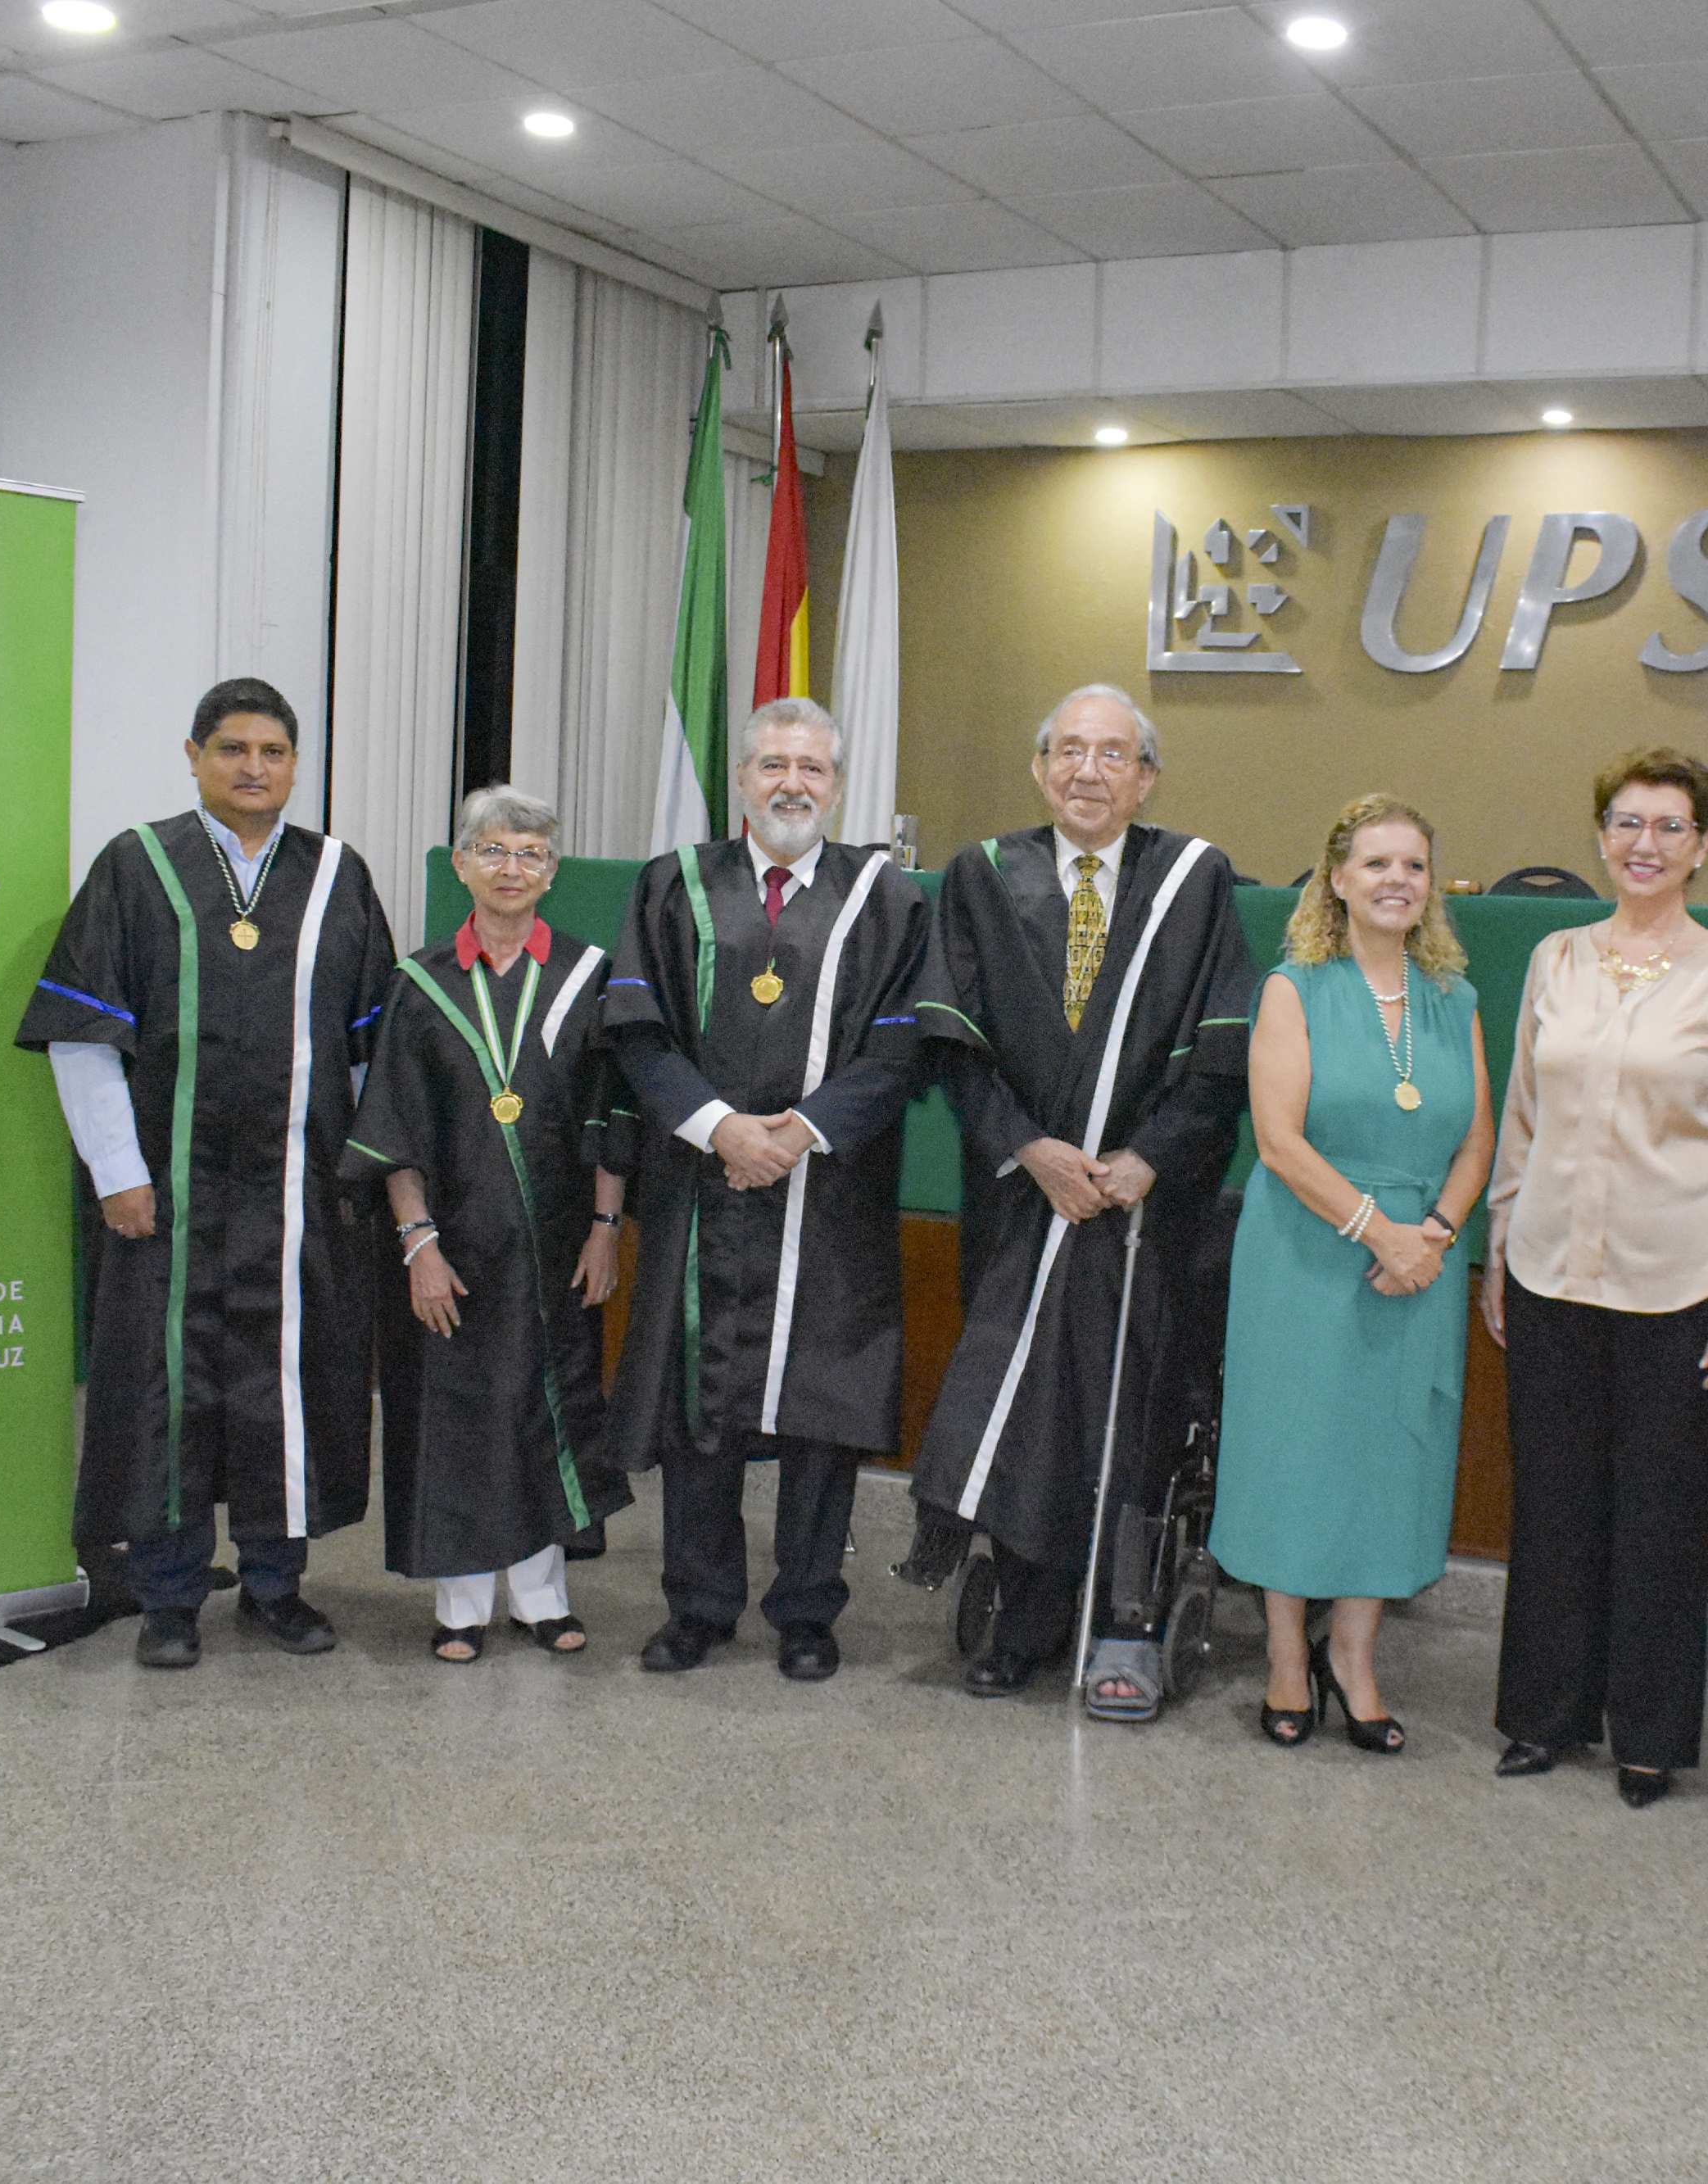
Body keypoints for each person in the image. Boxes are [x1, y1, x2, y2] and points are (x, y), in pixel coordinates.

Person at [16, 677, 393, 1669]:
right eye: (232, 749)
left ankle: (276, 1584)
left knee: (286, 1386)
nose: (254, 768)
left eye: (273, 751)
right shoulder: (136, 868)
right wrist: (115, 1170)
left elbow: (368, 1048)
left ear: (295, 764)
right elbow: (83, 1036)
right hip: (167, 1194)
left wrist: (356, 1171)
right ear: (193, 756)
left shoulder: (336, 876)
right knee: (167, 1390)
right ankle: (170, 1594)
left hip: (295, 1191)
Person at [902, 685, 1256, 1711]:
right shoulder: (978, 876)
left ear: (1145, 776)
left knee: (1122, 1406)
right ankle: (1025, 1613)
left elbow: (1221, 1053)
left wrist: (1149, 1156)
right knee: (1023, 1408)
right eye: (1067, 751)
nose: (1087, 772)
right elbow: (950, 1045)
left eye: (1112, 754)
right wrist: (1028, 1149)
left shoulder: (1193, 881)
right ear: (1039, 767)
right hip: (1021, 1199)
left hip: (1143, 1209)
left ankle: (1120, 1617)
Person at [602, 697, 933, 1683]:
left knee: (819, 1403)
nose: (793, 782)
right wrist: (720, 1128)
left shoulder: (888, 897)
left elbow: (903, 1040)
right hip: (702, 1186)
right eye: (774, 764)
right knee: (702, 1402)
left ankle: (805, 1610)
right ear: (742, 779)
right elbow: (637, 1027)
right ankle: (698, 1604)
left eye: (814, 768)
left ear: (837, 783)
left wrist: (798, 1131)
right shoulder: (673, 885)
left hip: (828, 1189)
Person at [1481, 748, 1708, 1806]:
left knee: (1660, 1514)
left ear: (1703, 845)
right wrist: (1502, 1245)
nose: (1645, 844)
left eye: (1669, 826)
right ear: (1602, 837)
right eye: (1627, 823)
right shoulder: (1557, 958)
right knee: (1552, 1504)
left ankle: (1648, 1734)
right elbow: (1522, 1114)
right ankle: (1544, 1715)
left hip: (1681, 1282)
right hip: (1552, 1269)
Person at [1209, 795, 1496, 1754]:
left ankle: (1356, 1657)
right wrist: (1381, 1233)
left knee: (1391, 1457)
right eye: (1375, 864)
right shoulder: (1296, 987)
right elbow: (1279, 1140)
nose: (1396, 881)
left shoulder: (1454, 998)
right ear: (1335, 879)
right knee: (1296, 1451)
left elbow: (1478, 1137)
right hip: (1309, 1251)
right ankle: (1287, 1653)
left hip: (1424, 1257)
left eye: (1412, 865)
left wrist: (1438, 1233)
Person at [342, 786, 632, 1664]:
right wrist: (418, 1244)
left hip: (554, 1246)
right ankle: (461, 1604)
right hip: (453, 1248)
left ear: (553, 872)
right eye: (495, 850)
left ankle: (541, 1597)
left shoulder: (590, 977)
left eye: (532, 854)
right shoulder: (420, 983)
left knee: (546, 1411)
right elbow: (393, 1127)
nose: (513, 869)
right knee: (455, 1415)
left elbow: (613, 1115)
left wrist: (606, 1225)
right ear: (461, 862)